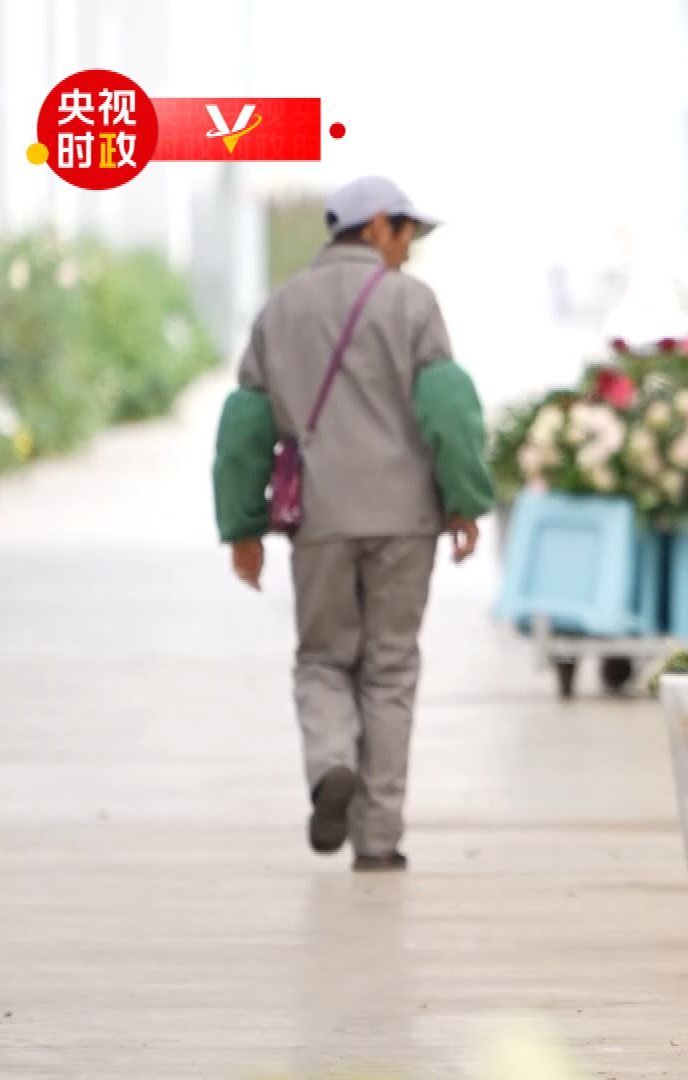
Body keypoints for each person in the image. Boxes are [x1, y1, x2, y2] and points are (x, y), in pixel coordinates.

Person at [211, 177, 492, 873]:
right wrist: (465, 500)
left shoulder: (280, 308)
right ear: (375, 227)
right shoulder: (411, 303)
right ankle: (378, 838)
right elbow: (448, 407)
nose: (408, 250)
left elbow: (246, 423)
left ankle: (330, 761)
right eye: (405, 233)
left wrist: (243, 528)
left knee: (323, 658)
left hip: (320, 518)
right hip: (405, 518)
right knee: (391, 669)